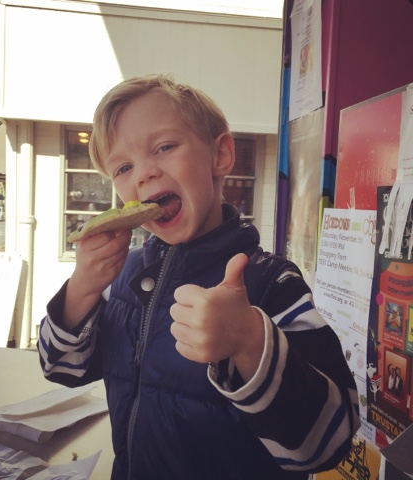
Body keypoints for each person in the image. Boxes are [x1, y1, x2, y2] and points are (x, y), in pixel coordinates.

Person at [38, 74, 360, 479]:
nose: (143, 174)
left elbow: (327, 443)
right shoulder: (124, 277)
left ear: (220, 154)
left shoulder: (271, 283)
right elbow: (61, 368)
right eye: (123, 167)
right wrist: (81, 289)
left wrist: (249, 343)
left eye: (164, 147)